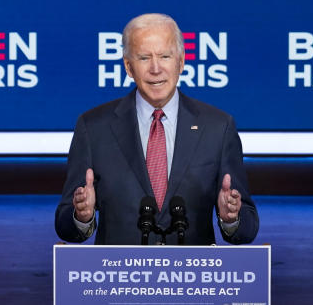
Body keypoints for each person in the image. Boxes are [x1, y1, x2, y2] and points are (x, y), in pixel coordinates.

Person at [55, 13, 259, 245]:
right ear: (128, 67)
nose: (155, 68)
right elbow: (64, 224)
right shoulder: (93, 128)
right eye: (144, 58)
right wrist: (82, 216)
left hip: (193, 277)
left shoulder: (218, 128)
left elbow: (248, 227)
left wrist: (230, 218)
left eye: (164, 56)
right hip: (119, 276)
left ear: (180, 62)